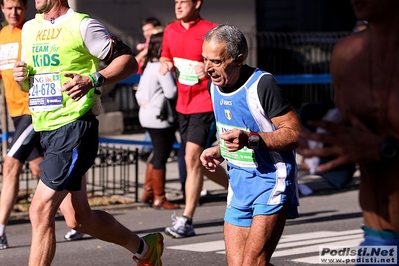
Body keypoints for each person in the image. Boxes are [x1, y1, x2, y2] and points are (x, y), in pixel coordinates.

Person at [12, 1, 163, 265]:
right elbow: (31, 82)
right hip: (47, 128)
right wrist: (21, 77)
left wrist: (93, 79)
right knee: (79, 218)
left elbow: (128, 61)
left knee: (39, 210)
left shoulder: (82, 25)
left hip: (75, 128)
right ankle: (145, 249)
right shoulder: (29, 27)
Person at [297, 0, 399, 264]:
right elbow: (350, 131)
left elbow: (379, 143)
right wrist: (317, 139)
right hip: (377, 238)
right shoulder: (346, 54)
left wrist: (386, 149)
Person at [200, 24, 301, 265]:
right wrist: (219, 150)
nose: (207, 68)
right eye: (204, 59)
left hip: (271, 181)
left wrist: (251, 139)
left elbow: (296, 134)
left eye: (215, 61)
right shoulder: (214, 87)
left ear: (238, 59)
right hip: (238, 183)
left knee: (253, 262)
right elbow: (231, 132)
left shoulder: (262, 85)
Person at [160, 0, 228, 238]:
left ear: (197, 3)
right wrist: (165, 64)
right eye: (175, 2)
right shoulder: (170, 30)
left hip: (204, 103)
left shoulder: (212, 32)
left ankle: (187, 220)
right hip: (182, 104)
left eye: (183, 1)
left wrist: (207, 68)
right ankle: (237, 191)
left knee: (191, 157)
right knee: (200, 161)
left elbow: (225, 64)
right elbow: (164, 57)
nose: (178, 5)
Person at [0, 0, 44, 250]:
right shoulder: (2, 36)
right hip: (15, 112)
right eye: (9, 7)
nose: (14, 12)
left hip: (32, 110)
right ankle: (77, 219)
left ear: (25, 8)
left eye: (18, 7)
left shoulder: (30, 32)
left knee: (10, 165)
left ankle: (0, 232)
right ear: (2, 9)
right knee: (41, 170)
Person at [136, 31, 180, 209]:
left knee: (156, 153)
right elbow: (171, 92)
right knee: (161, 154)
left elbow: (139, 92)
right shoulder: (162, 68)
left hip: (147, 114)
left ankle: (148, 191)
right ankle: (159, 197)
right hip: (160, 117)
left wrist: (144, 103)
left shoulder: (149, 65)